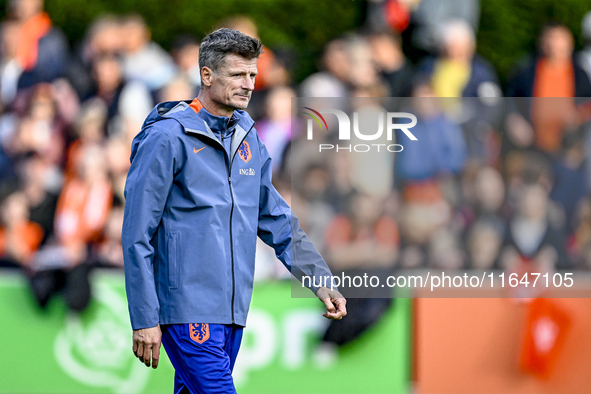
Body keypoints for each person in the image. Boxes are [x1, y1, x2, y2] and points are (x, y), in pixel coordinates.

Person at [121, 28, 346, 393]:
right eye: (238, 74)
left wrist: (319, 278)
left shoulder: (247, 136)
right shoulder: (167, 138)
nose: (249, 84)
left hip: (232, 311)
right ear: (206, 75)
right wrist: (145, 316)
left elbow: (276, 218)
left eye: (253, 75)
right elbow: (136, 234)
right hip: (185, 309)